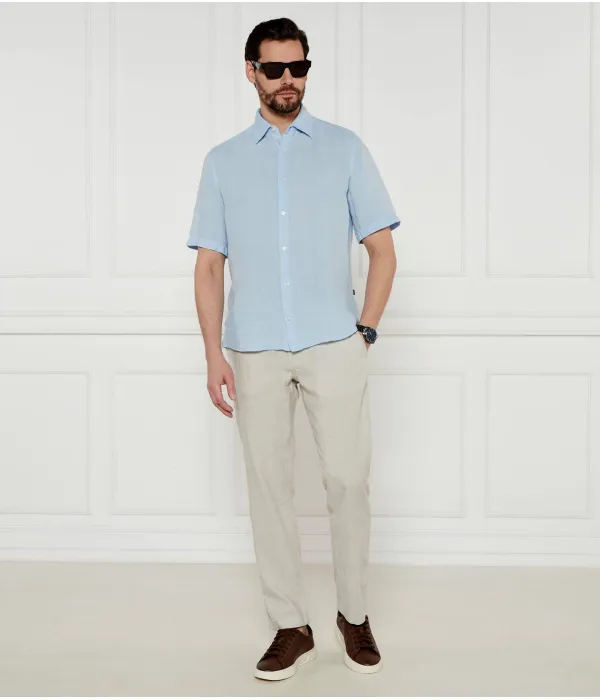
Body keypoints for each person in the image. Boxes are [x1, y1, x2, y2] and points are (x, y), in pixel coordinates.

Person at [187, 17, 400, 682]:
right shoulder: (223, 162)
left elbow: (383, 250)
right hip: (254, 351)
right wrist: (214, 355)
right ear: (250, 71)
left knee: (348, 482)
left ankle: (353, 614)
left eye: (299, 68)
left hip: (334, 344)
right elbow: (209, 266)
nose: (288, 80)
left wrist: (365, 331)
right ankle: (290, 625)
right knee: (269, 487)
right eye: (275, 68)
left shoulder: (344, 149)